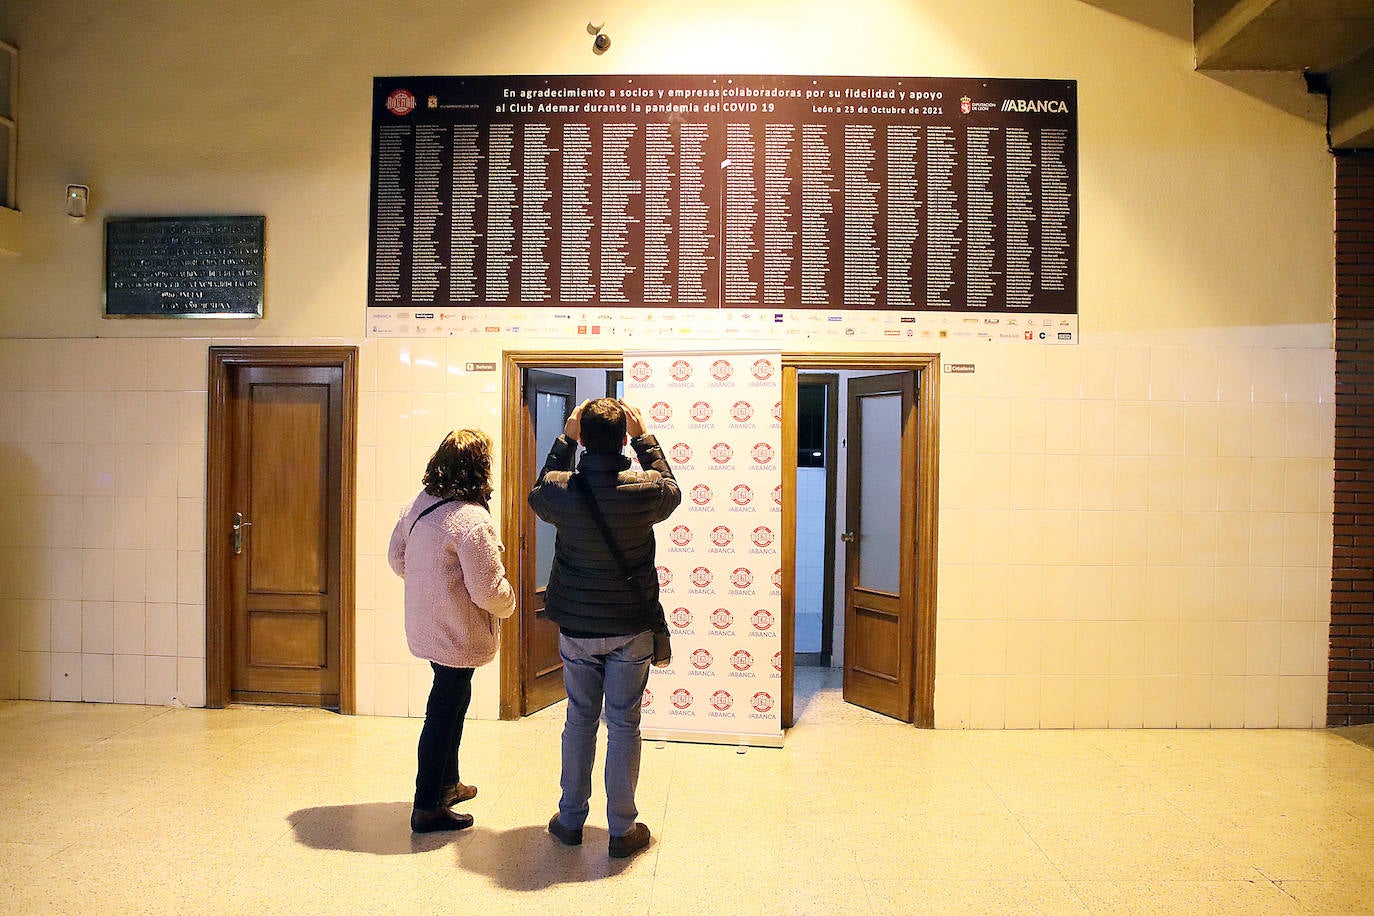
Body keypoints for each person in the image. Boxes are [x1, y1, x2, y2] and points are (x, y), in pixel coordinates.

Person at [528, 398, 681, 859]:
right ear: (622, 439)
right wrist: (644, 437)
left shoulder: (560, 489)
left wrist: (563, 440)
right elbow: (673, 488)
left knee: (579, 721)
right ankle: (621, 829)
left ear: (582, 435)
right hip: (630, 626)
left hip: (577, 627)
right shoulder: (644, 488)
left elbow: (538, 491)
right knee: (623, 725)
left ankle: (571, 820)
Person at [388, 428, 515, 834]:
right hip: (455, 630)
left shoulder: (420, 503)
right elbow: (487, 589)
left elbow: (396, 558)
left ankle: (449, 783)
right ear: (479, 467)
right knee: (443, 713)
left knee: (453, 701)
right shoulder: (470, 520)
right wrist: (509, 604)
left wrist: (430, 587)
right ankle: (427, 805)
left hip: (428, 625)